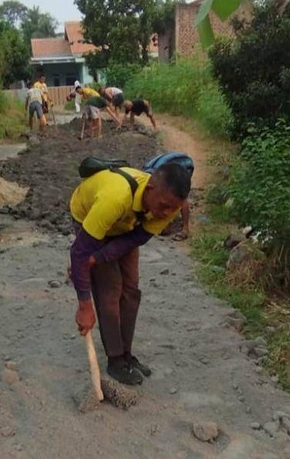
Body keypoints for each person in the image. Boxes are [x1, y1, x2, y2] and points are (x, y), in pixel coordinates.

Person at [69, 163, 191, 385]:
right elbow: (79, 252)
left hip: (127, 225)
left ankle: (125, 353)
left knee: (131, 289)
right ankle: (115, 360)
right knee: (110, 289)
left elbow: (136, 239)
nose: (166, 213)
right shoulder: (114, 198)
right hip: (91, 214)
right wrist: (84, 305)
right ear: (151, 188)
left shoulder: (169, 205)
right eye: (163, 206)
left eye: (172, 209)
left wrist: (96, 259)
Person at [143, 152, 195, 241]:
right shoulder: (150, 178)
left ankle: (185, 228)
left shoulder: (157, 180)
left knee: (179, 196)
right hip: (170, 164)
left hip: (185, 164)